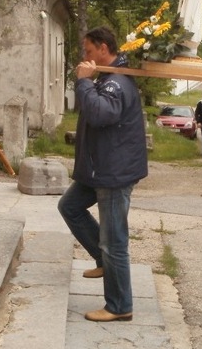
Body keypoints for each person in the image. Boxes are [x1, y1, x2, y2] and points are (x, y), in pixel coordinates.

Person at [57, 27, 148, 323]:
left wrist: (83, 82)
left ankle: (120, 305)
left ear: (104, 49)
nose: (85, 57)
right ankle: (102, 260)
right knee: (69, 206)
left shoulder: (116, 83)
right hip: (99, 169)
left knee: (115, 241)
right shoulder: (109, 78)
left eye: (89, 51)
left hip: (113, 173)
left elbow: (99, 114)